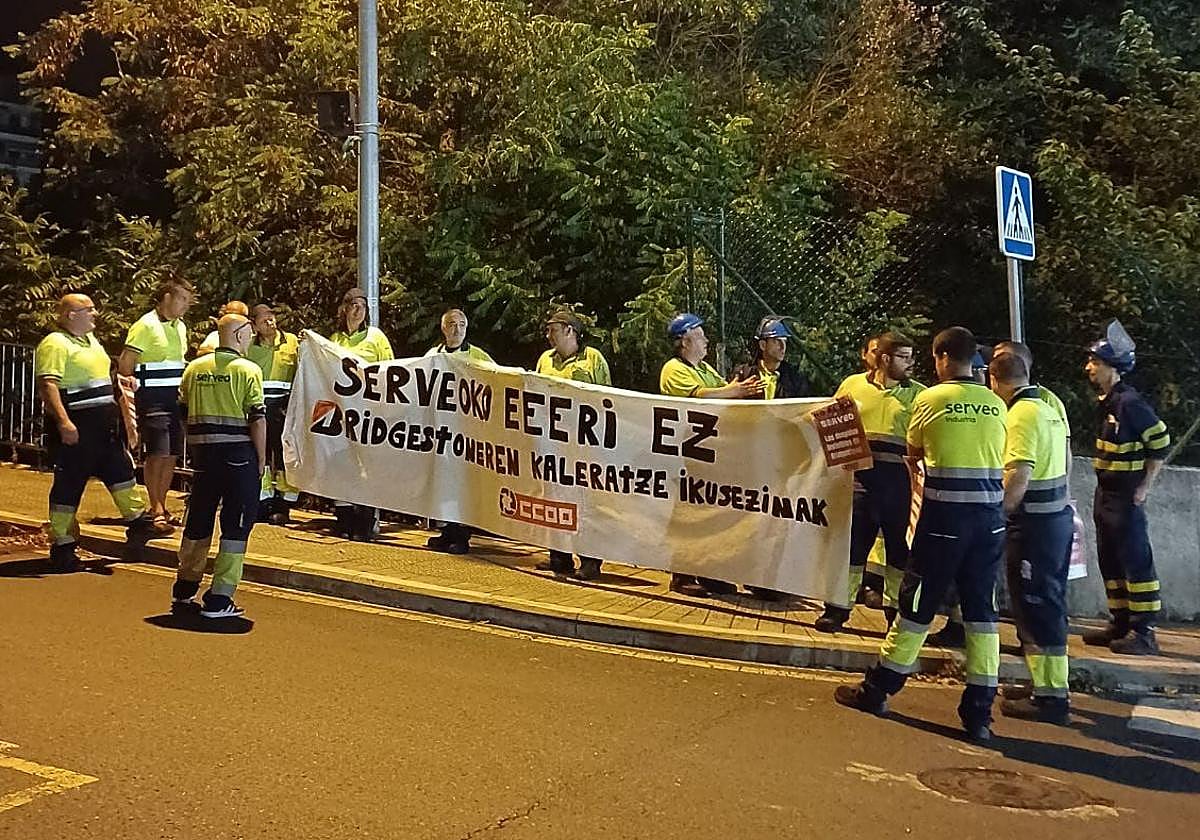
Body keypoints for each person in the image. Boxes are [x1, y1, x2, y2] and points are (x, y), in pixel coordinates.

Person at [835, 326, 1007, 742]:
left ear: (944, 358)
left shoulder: (930, 399)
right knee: (983, 616)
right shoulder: (998, 404)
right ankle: (979, 712)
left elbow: (915, 452)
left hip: (944, 521)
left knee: (915, 607)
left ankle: (879, 689)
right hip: (990, 523)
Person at [34, 294, 168, 571]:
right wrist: (63, 422)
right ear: (71, 314)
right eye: (89, 309)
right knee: (69, 485)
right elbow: (48, 385)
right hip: (78, 424)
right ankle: (62, 544)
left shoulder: (91, 341)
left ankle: (137, 523)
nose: (96, 314)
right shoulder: (56, 343)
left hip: (103, 425)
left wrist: (126, 419)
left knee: (121, 473)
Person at [816, 331, 924, 632]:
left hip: (900, 485)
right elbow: (833, 425)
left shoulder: (919, 394)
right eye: (904, 357)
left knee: (899, 555)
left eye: (911, 356)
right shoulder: (852, 385)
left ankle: (895, 615)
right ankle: (837, 609)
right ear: (885, 359)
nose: (911, 363)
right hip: (860, 481)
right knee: (852, 549)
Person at [989, 353, 1073, 724]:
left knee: (1037, 606)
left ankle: (1052, 697)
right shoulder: (1048, 408)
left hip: (1034, 527)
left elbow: (1018, 475)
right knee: (1046, 605)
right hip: (1055, 520)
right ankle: (1046, 685)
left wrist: (998, 515)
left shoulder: (1020, 416)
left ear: (995, 380)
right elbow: (1067, 462)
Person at [659, 313, 762, 597]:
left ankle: (709, 572)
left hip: (712, 452)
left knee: (711, 513)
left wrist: (737, 386)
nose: (706, 341)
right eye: (701, 335)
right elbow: (702, 396)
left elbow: (723, 391)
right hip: (690, 453)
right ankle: (682, 574)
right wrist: (736, 390)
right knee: (691, 513)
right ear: (685, 340)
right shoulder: (674, 369)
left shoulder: (703, 368)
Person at [1082, 321, 1169, 655]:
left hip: (1125, 494)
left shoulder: (1129, 403)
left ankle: (1144, 632)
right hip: (1105, 492)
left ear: (1113, 368)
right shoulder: (1109, 402)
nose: (1089, 367)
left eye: (1096, 363)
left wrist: (1144, 485)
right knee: (1111, 560)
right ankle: (1119, 622)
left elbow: (1160, 442)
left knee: (1136, 562)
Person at [171, 312, 266, 619]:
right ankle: (220, 597)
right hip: (239, 456)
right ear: (239, 335)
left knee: (198, 520)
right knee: (236, 526)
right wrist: (261, 460)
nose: (251, 338)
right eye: (249, 333)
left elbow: (182, 411)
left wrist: (198, 442)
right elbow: (257, 419)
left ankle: (184, 589)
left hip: (203, 457)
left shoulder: (194, 368)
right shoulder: (247, 370)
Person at [534, 308, 610, 580]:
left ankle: (590, 560)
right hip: (554, 444)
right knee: (555, 499)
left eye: (552, 329)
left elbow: (608, 398)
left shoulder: (593, 359)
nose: (548, 335)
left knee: (586, 503)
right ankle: (559, 557)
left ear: (569, 330)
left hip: (585, 445)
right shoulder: (545, 360)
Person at [118, 276, 195, 529]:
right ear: (166, 298)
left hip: (175, 398)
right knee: (157, 452)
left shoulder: (180, 326)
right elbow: (126, 363)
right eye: (182, 299)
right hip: (152, 398)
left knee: (171, 452)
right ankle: (156, 506)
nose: (186, 305)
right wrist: (131, 398)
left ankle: (160, 503)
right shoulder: (145, 325)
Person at [425, 308, 495, 554]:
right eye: (452, 324)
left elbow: (496, 385)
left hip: (466, 435)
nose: (457, 329)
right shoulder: (433, 356)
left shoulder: (478, 357)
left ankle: (461, 536)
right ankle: (446, 531)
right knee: (444, 484)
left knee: (463, 486)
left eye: (462, 325)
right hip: (440, 433)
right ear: (443, 328)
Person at [329, 287, 394, 541]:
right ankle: (344, 518)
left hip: (368, 413)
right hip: (340, 413)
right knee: (340, 463)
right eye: (353, 305)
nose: (358, 310)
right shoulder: (334, 339)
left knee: (366, 465)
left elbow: (390, 371)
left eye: (363, 306)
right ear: (344, 308)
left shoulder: (376, 337)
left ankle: (365, 520)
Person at [246, 303, 300, 525]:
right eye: (263, 320)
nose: (270, 322)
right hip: (259, 407)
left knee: (285, 457)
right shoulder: (249, 347)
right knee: (262, 457)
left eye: (271, 317)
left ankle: (284, 505)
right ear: (255, 326)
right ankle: (262, 502)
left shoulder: (292, 342)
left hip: (284, 407)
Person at [731, 316, 810, 399]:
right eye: (777, 341)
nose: (783, 347)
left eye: (785, 341)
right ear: (763, 345)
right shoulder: (743, 374)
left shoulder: (795, 379)